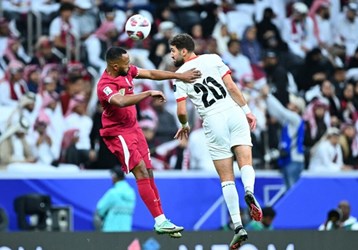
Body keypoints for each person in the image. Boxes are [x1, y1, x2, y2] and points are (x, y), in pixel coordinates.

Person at [169, 33, 262, 249]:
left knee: (226, 178)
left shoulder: (180, 75)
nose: (171, 55)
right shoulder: (213, 58)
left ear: (184, 51)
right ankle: (249, 190)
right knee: (245, 162)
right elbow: (231, 87)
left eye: (173, 50)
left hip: (212, 119)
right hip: (233, 112)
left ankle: (238, 226)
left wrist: (184, 124)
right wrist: (247, 111)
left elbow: (182, 110)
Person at [96, 46, 201, 237]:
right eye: (125, 64)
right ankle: (159, 221)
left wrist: (179, 76)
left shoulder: (127, 71)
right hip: (118, 132)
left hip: (134, 128)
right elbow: (120, 101)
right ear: (114, 65)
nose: (130, 67)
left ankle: (163, 219)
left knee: (150, 172)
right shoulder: (105, 84)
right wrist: (147, 94)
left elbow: (151, 73)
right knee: (141, 171)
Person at [96, 167, 136, 232]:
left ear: (114, 177)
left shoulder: (113, 193)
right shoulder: (131, 193)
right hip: (126, 231)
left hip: (110, 232)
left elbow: (100, 209)